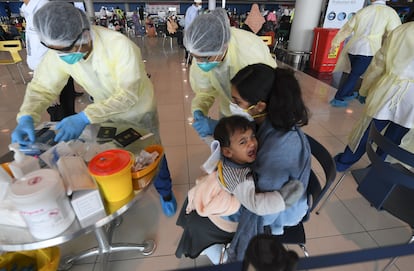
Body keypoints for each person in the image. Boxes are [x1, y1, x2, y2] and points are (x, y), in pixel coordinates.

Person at [10, 2, 177, 217]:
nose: (63, 56)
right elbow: (42, 87)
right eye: (56, 50)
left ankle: (165, 192)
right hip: (101, 112)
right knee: (110, 152)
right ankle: (121, 187)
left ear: (84, 34)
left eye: (68, 50)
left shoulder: (119, 46)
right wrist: (27, 117)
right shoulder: (60, 51)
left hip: (138, 110)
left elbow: (128, 94)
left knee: (151, 151)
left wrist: (84, 117)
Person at [177, 64, 310, 263]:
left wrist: (222, 202)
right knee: (196, 197)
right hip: (256, 190)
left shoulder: (279, 150)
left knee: (199, 216)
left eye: (237, 101)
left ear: (260, 106)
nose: (233, 105)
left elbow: (261, 210)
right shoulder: (267, 119)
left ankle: (221, 257)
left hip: (276, 207)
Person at [184, 8, 276, 139]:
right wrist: (199, 109)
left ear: (223, 46)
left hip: (258, 115)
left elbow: (261, 106)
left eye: (205, 58)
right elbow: (205, 91)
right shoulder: (204, 50)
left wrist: (227, 128)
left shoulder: (250, 56)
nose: (200, 63)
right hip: (229, 109)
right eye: (195, 57)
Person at [334, 22, 414, 172]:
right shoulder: (392, 16)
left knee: (366, 131)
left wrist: (365, 90)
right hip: (412, 103)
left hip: (388, 89)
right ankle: (376, 169)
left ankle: (343, 162)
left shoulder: (403, 29)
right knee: (394, 139)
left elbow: (378, 64)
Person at [329, 0, 401, 107]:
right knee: (355, 75)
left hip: (353, 47)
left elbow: (347, 28)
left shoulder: (363, 11)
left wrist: (335, 42)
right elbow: (395, 33)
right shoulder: (390, 12)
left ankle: (348, 93)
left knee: (353, 73)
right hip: (369, 49)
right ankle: (339, 97)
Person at [20, 0, 82, 122]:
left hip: (54, 73)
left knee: (61, 114)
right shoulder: (28, 9)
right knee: (59, 113)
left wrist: (53, 84)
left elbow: (58, 44)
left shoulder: (44, 7)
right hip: (45, 72)